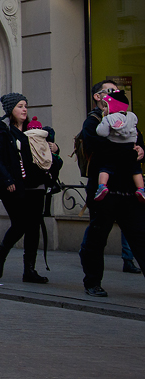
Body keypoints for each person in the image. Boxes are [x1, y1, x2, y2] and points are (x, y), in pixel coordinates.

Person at [80, 80, 145, 297]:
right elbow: (98, 148)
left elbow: (139, 144)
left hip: (128, 189)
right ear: (98, 97)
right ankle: (92, 282)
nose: (114, 93)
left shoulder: (128, 119)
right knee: (97, 238)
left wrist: (141, 151)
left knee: (140, 236)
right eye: (109, 90)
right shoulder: (93, 122)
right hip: (103, 191)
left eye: (115, 90)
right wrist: (130, 153)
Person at [0, 93, 50, 283]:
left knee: (33, 228)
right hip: (13, 185)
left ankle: (29, 270)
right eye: (20, 106)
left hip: (35, 185)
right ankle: (1, 256)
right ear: (10, 109)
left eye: (26, 106)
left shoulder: (33, 129)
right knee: (21, 223)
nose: (24, 109)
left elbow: (41, 152)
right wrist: (7, 180)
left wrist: (52, 148)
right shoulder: (0, 129)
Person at [92, 89, 144, 202]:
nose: (104, 109)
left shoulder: (108, 118)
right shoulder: (131, 116)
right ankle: (141, 188)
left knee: (105, 168)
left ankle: (102, 186)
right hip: (130, 147)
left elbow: (102, 133)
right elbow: (135, 132)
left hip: (114, 148)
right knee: (136, 170)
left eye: (106, 106)